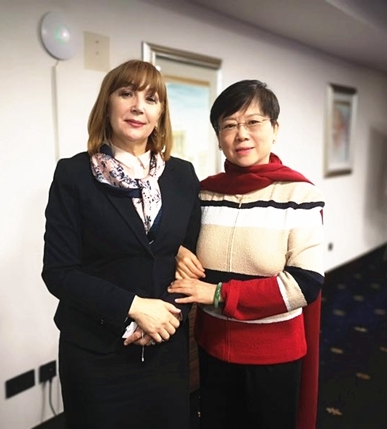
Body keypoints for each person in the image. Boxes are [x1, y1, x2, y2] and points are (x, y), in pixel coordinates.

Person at [41, 59, 201, 429]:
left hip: (166, 349)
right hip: (97, 354)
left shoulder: (182, 176)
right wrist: (135, 308)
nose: (138, 107)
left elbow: (191, 262)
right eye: (126, 93)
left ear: (160, 114)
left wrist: (166, 315)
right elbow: (59, 272)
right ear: (108, 104)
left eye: (151, 99)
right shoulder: (74, 174)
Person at [168, 80, 325, 429]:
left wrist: (218, 294)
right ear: (218, 136)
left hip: (273, 356)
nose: (241, 134)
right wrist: (178, 251)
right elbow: (176, 244)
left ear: (274, 129)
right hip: (211, 347)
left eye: (253, 122)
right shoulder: (205, 194)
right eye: (229, 125)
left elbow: (305, 284)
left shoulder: (299, 195)